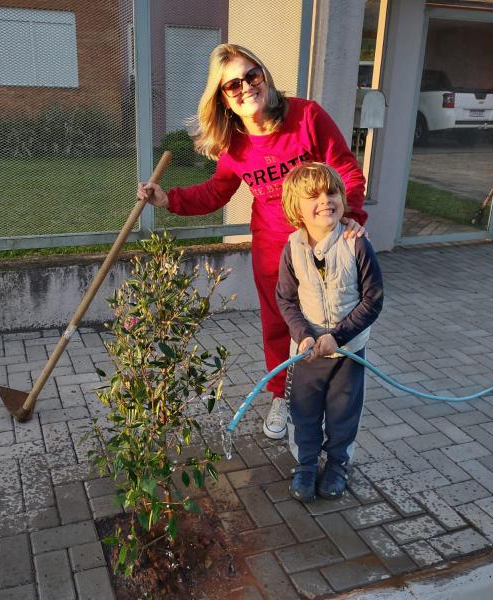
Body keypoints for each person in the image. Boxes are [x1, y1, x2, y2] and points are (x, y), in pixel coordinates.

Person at [137, 44, 367, 441]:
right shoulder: (236, 143)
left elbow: (345, 169)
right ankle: (282, 394)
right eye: (232, 85)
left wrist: (351, 220)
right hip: (273, 249)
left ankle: (329, 400)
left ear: (264, 75)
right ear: (222, 97)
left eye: (251, 75)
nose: (245, 87)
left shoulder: (307, 116)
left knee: (330, 320)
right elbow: (216, 193)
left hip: (325, 244)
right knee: (279, 325)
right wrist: (168, 199)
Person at [275, 162, 383, 501]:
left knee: (343, 412)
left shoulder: (356, 244)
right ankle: (306, 465)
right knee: (303, 411)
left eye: (331, 192)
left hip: (348, 352)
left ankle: (337, 465)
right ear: (296, 209)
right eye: (313, 196)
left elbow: (373, 299)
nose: (325, 200)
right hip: (307, 352)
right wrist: (303, 335)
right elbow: (286, 299)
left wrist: (338, 337)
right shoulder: (292, 248)